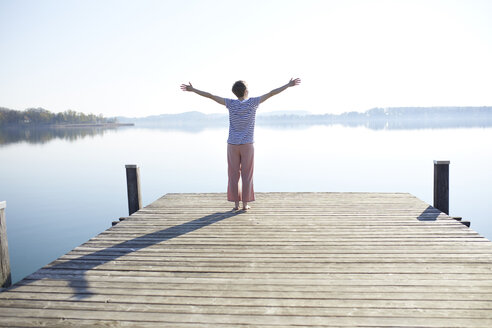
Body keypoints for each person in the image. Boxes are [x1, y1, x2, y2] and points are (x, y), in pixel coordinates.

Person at [180, 78, 301, 211]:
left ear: (235, 93)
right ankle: (245, 204)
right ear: (246, 91)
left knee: (233, 175)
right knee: (247, 175)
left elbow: (211, 96)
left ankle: (236, 205)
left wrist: (193, 90)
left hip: (232, 144)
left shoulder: (230, 103)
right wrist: (288, 85)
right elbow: (272, 93)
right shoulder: (253, 103)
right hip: (247, 144)